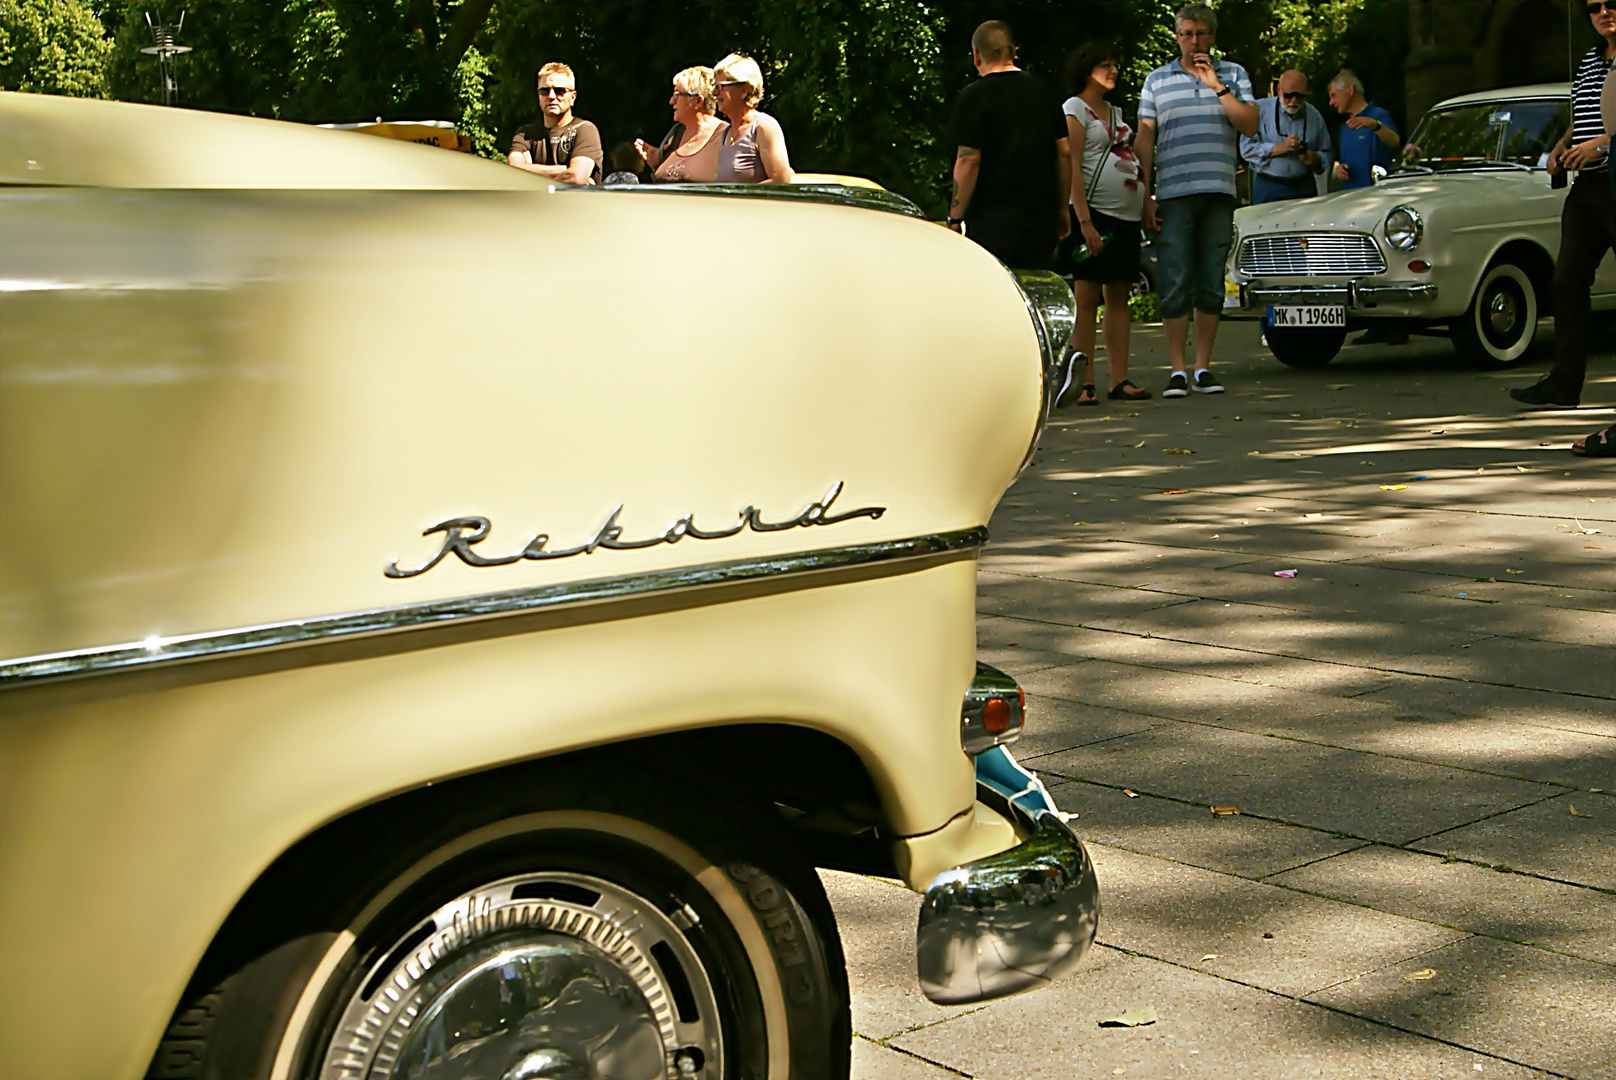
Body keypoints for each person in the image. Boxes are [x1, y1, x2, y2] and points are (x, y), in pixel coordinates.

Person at [1135, 3, 1257, 398]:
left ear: (1212, 37)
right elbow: (1145, 139)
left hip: (1219, 191)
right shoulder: (1156, 81)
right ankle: (1177, 369)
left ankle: (1203, 367)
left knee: (1210, 282)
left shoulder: (1233, 75)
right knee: (1174, 279)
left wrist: (1216, 85)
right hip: (1173, 193)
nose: (1193, 41)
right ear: (1177, 37)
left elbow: (1251, 125)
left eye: (1200, 33)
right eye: (1186, 33)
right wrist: (1144, 195)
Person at [1512, 0, 1616, 411]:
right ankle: (1564, 383)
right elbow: (1588, 111)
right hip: (1588, 184)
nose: (1604, 12)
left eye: (1612, 3)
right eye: (1594, 7)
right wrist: (1565, 143)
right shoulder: (1591, 57)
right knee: (1567, 280)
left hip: (1614, 175)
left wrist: (1601, 144)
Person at [1056, 39, 1149, 407]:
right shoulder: (1074, 109)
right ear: (1086, 68)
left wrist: (1146, 200)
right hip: (1093, 215)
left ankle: (1120, 378)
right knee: (1086, 296)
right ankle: (1085, 381)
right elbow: (1072, 166)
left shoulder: (1114, 111)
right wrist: (1084, 221)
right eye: (1105, 64)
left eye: (1115, 64)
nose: (1113, 71)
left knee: (1119, 296)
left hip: (1125, 217)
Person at [947, 20, 1072, 270]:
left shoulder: (973, 97)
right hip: (1040, 218)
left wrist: (955, 216)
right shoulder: (1043, 92)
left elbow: (968, 160)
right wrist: (1062, 208)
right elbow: (1064, 154)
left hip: (991, 222)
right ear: (1013, 52)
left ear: (976, 56)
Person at [1240, 69, 1330, 204]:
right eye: (1289, 95)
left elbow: (1327, 154)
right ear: (1278, 90)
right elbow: (1246, 149)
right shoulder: (1260, 110)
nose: (1294, 101)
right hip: (1268, 185)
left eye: (1299, 96)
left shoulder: (1314, 116)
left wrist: (1313, 157)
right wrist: (1279, 148)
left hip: (1303, 186)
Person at [507, 62, 603, 185]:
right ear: (538, 96)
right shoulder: (525, 134)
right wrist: (563, 169)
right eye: (544, 91)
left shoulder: (585, 130)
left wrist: (529, 173)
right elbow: (512, 172)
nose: (551, 96)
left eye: (559, 91)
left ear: (573, 97)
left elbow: (576, 177)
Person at [635, 67, 728, 183]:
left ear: (698, 101)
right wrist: (656, 163)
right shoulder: (676, 135)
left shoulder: (726, 136)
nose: (671, 101)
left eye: (677, 95)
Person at [713, 53, 794, 183]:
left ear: (745, 89)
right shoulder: (725, 134)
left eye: (720, 87)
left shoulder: (764, 127)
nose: (714, 93)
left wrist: (741, 197)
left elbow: (781, 181)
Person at [1329, 70, 1398, 190]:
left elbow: (1395, 142)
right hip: (1351, 197)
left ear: (1349, 90)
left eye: (1334, 95)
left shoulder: (1379, 116)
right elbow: (1344, 162)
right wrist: (1340, 170)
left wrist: (1374, 125)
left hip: (1378, 194)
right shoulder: (1345, 128)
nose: (1331, 102)